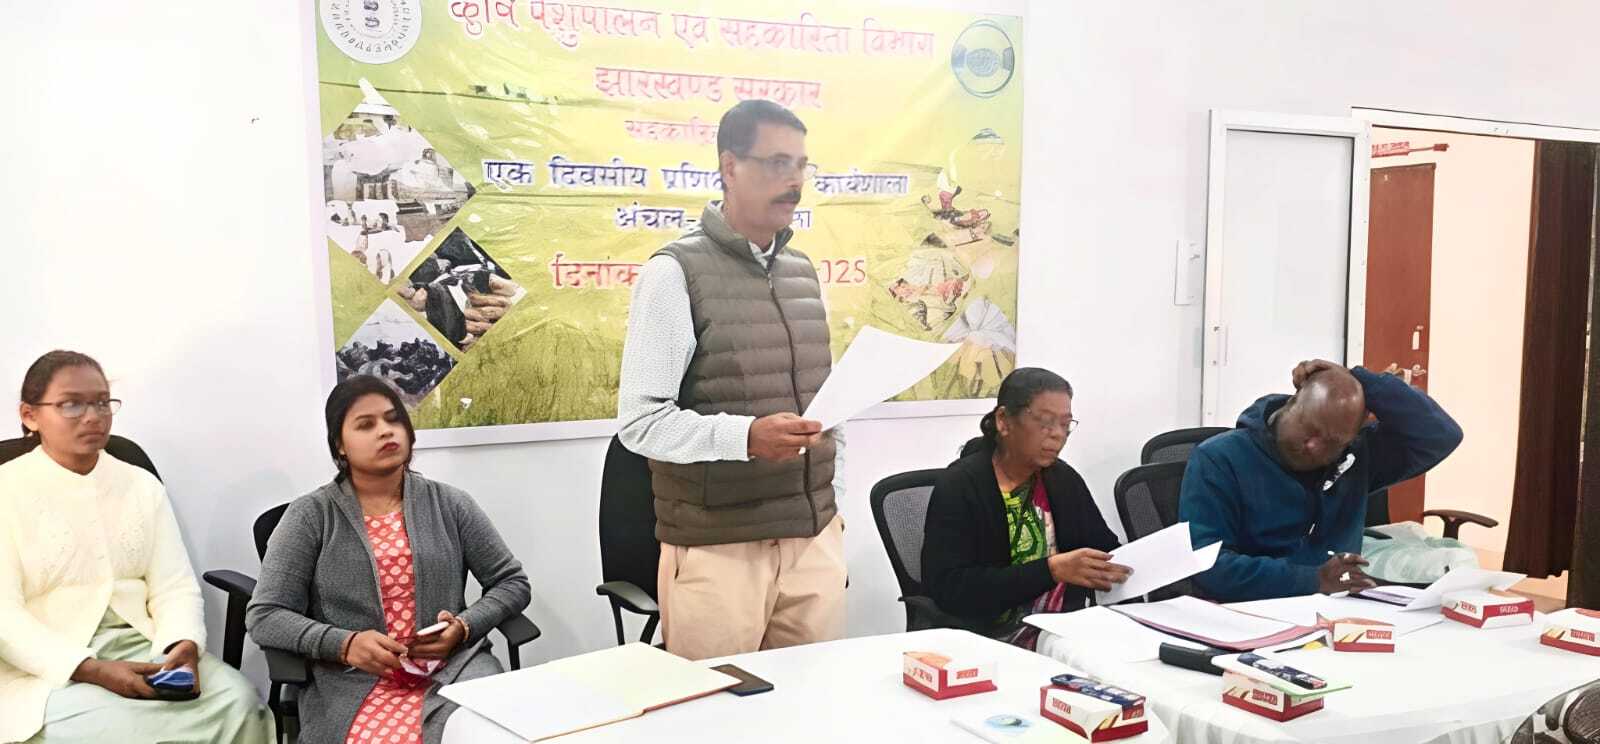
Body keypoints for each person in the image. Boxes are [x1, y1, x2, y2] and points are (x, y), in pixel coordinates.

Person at [616, 100, 843, 661]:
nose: (794, 181)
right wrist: (746, 438)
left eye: (802, 165)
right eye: (777, 163)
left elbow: (820, 406)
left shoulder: (802, 272)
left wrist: (832, 509)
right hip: (719, 550)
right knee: (714, 704)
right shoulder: (674, 272)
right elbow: (641, 423)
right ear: (730, 167)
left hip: (813, 539)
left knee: (814, 702)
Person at [0, 351, 274, 744]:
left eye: (101, 402)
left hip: (145, 646)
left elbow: (173, 586)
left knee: (241, 703)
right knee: (132, 731)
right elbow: (5, 617)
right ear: (30, 415)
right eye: (72, 404)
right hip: (44, 670)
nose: (93, 416)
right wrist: (90, 668)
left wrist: (182, 645)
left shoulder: (140, 485)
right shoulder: (6, 490)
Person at [246, 375, 530, 744]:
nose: (385, 431)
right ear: (340, 445)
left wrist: (463, 626)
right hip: (351, 681)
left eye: (393, 419)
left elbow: (511, 583)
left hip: (454, 670)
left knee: (484, 733)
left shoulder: (450, 504)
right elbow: (266, 615)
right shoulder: (310, 516)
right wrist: (344, 644)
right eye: (366, 424)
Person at [1181, 360, 1464, 602]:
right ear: (1291, 403)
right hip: (1252, 611)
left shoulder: (1355, 456)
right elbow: (1206, 565)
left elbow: (1441, 435)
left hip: (1339, 611)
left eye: (1332, 441)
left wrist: (1357, 379)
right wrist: (1312, 580)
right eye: (1308, 428)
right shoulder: (1219, 458)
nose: (1313, 446)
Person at [921, 368, 1130, 649]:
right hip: (986, 638)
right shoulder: (961, 485)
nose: (1058, 435)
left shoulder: (1062, 479)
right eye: (1045, 422)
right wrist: (1051, 570)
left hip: (1063, 630)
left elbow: (1104, 548)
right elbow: (952, 588)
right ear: (1004, 421)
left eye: (1065, 424)